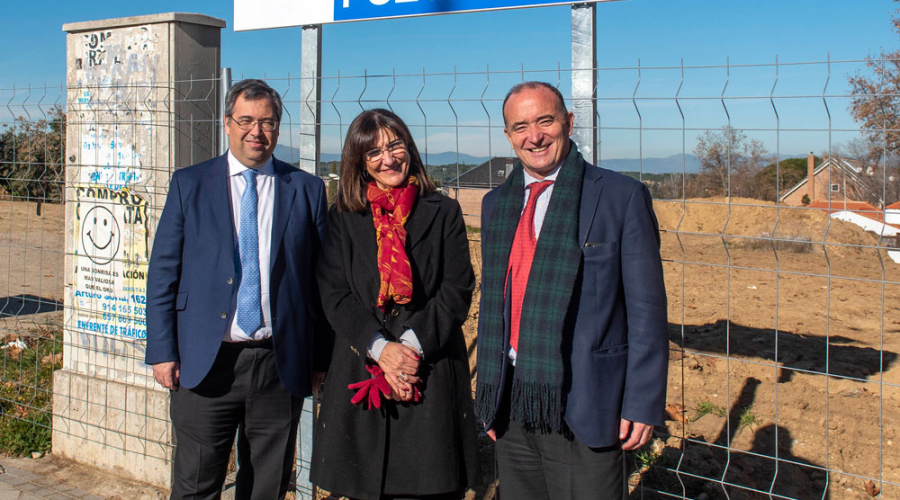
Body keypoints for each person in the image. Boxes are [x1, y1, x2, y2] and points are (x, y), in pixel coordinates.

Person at [474, 81, 668, 499]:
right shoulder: (496, 205)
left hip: (591, 398)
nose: (535, 136)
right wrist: (489, 393)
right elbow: (495, 307)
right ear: (508, 137)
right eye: (520, 126)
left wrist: (642, 400)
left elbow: (647, 310)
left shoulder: (619, 196)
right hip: (513, 398)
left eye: (545, 120)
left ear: (569, 123)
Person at [145, 79, 330, 500]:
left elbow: (321, 282)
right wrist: (162, 350)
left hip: (278, 365)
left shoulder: (306, 190)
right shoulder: (189, 184)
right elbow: (163, 273)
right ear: (227, 124)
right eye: (246, 120)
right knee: (196, 483)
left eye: (266, 122)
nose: (256, 132)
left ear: (279, 129)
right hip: (204, 362)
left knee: (266, 485)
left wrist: (318, 357)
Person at [310, 108, 481, 500]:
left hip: (429, 371)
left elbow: (456, 289)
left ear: (410, 148)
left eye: (395, 146)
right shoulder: (344, 217)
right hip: (362, 366)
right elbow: (334, 292)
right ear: (360, 162)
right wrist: (380, 348)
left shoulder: (444, 212)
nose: (388, 159)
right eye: (374, 153)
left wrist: (409, 349)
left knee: (427, 490)